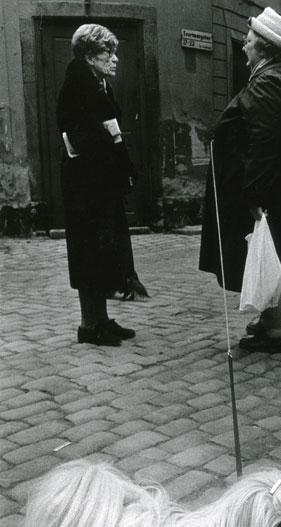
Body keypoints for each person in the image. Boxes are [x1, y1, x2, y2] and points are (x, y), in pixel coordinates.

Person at [199, 7, 281, 354]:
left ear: (264, 47)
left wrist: (254, 195)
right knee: (279, 258)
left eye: (249, 42)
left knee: (274, 257)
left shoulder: (271, 82)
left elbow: (264, 143)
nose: (243, 47)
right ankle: (270, 324)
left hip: (274, 195)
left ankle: (275, 333)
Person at [57, 23, 148, 347]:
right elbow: (77, 136)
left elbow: (109, 131)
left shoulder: (98, 84)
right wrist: (112, 154)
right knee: (88, 252)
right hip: (85, 186)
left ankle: (102, 319)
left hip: (99, 184)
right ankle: (88, 325)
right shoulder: (77, 84)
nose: (115, 59)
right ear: (88, 54)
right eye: (107, 53)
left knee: (103, 251)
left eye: (114, 53)